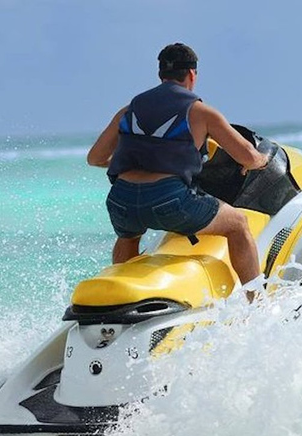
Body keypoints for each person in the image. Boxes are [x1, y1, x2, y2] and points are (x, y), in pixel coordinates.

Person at [87, 43, 269, 288]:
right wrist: (261, 160)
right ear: (192, 74)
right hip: (169, 202)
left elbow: (95, 158)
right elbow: (247, 156)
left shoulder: (129, 110)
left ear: (161, 75)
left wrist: (129, 167)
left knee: (128, 235)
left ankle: (117, 292)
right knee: (238, 224)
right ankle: (255, 301)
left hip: (122, 201)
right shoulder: (200, 112)